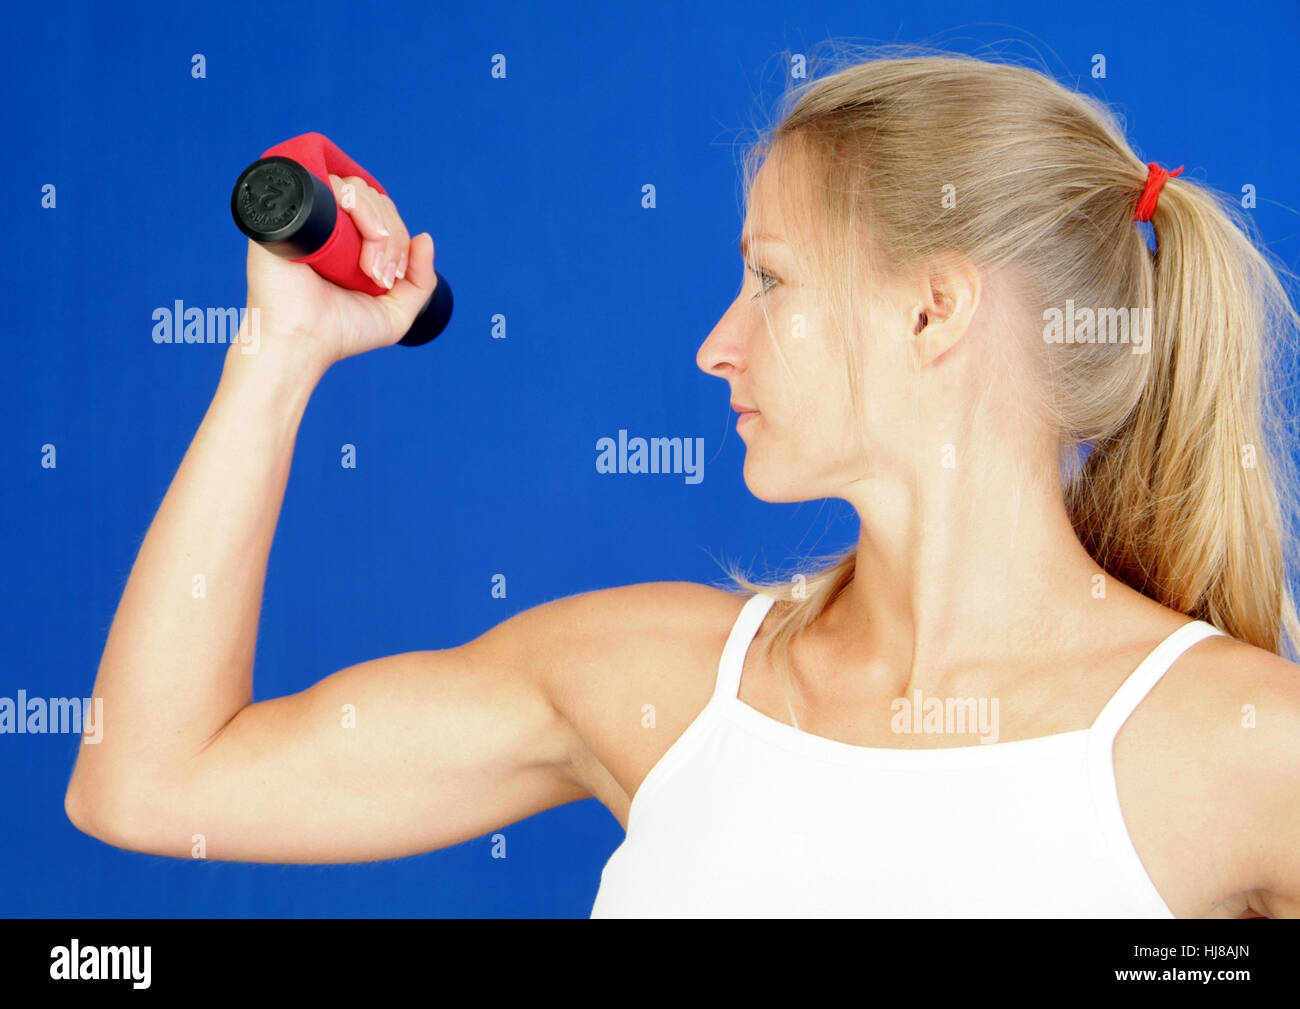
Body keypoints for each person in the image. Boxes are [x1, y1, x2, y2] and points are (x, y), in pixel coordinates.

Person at [65, 49, 1300, 918]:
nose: (718, 344)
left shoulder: (1241, 751)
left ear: (933, 310)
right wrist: (278, 357)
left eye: (769, 279)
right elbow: (150, 781)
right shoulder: (655, 682)